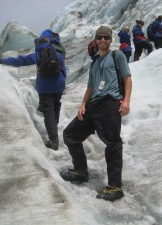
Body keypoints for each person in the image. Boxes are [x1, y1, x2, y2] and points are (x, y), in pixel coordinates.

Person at [60, 26, 132, 202]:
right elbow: (91, 87)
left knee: (113, 142)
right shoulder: (95, 63)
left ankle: (115, 186)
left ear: (110, 40)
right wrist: (83, 104)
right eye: (100, 37)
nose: (103, 40)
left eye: (106, 37)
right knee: (70, 134)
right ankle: (81, 171)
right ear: (95, 40)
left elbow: (127, 79)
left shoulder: (117, 56)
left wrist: (127, 101)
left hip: (109, 103)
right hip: (93, 105)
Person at [0, 29, 66, 151]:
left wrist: (2, 61)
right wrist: (62, 83)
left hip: (44, 88)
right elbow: (63, 70)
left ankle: (54, 141)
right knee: (56, 105)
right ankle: (55, 127)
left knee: (48, 112)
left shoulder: (38, 54)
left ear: (39, 43)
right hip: (58, 86)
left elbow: (20, 61)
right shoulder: (58, 54)